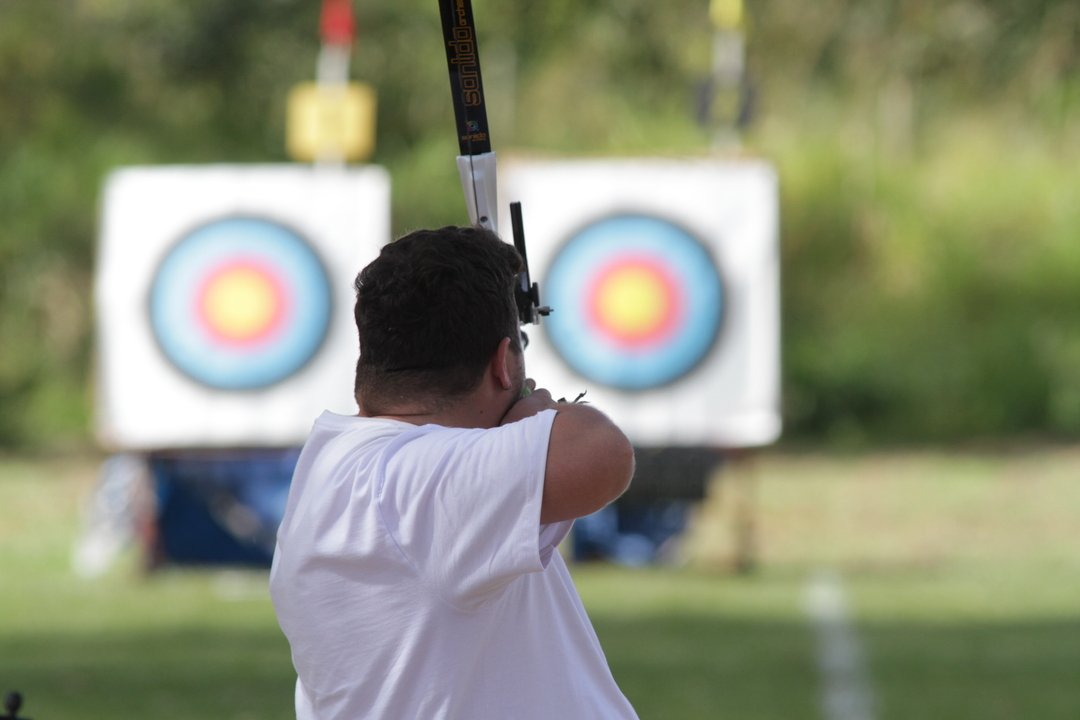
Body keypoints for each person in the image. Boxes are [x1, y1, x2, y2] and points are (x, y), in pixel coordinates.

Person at [269, 225, 639, 719]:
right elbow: (602, 453)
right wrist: (535, 410)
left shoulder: (341, 459)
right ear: (502, 365)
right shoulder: (413, 479)